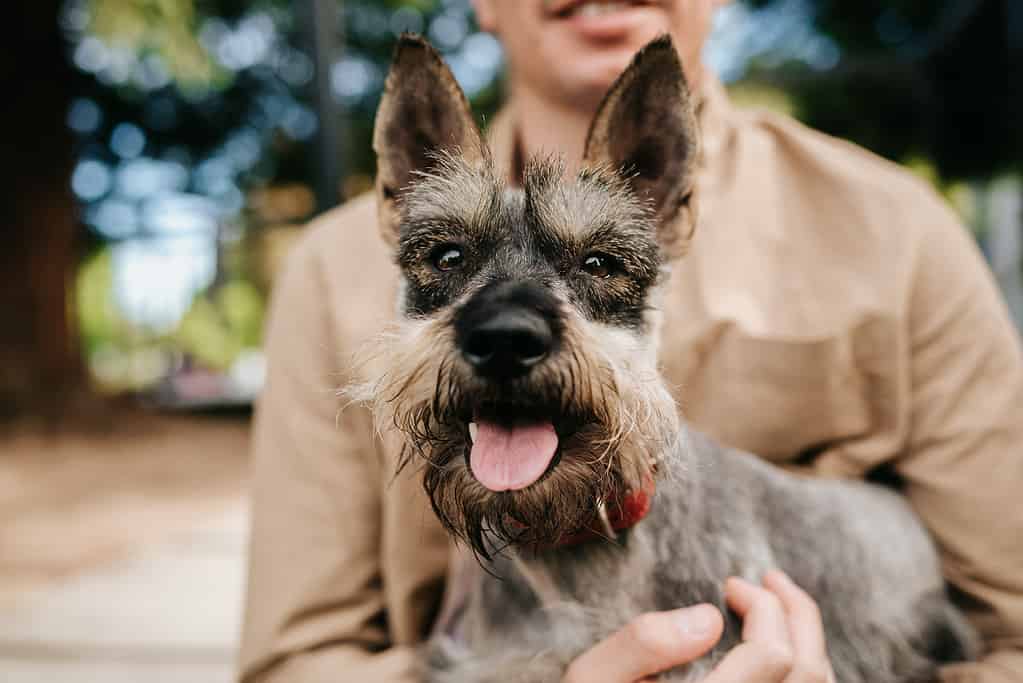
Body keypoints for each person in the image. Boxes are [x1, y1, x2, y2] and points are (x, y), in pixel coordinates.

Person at [237, 1, 1023, 681]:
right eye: (446, 257)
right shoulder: (324, 270)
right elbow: (297, 659)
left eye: (604, 263)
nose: (508, 321)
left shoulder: (897, 232)